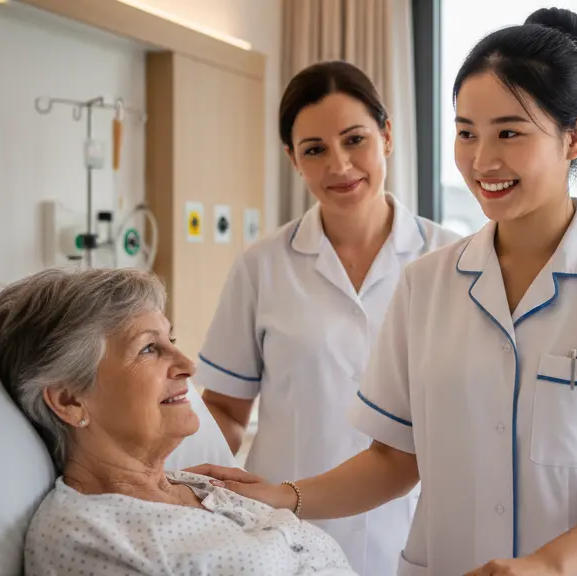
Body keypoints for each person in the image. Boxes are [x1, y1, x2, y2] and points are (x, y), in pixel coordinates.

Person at [190, 8, 577, 575]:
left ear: (575, 136)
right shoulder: (426, 284)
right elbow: (395, 460)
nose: (481, 159)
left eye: (509, 133)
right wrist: (284, 495)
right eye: (466, 132)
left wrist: (549, 565)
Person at [196, 60, 460, 576]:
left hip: (412, 528)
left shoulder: (452, 262)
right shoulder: (262, 265)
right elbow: (225, 408)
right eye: (315, 149)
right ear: (294, 160)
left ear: (386, 135)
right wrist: (190, 486)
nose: (339, 165)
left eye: (354, 139)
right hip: (283, 534)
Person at [0, 268, 357, 576]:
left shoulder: (201, 486)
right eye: (149, 348)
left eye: (171, 339)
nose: (188, 364)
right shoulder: (86, 537)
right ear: (70, 401)